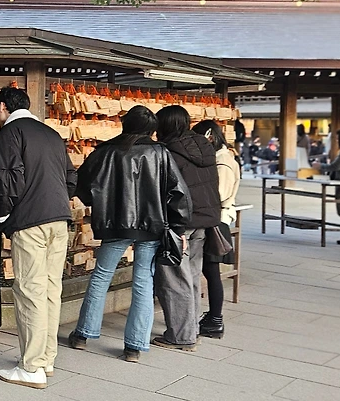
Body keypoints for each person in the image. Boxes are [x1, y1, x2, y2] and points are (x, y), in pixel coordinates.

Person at [68, 106, 191, 362]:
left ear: (126, 124)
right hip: (151, 225)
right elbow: (178, 193)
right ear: (151, 129)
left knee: (101, 276)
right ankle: (134, 346)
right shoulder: (160, 153)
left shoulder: (105, 151)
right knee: (144, 281)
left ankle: (82, 334)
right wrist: (178, 228)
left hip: (114, 223)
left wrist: (101, 203)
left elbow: (83, 185)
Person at [0, 87, 76, 388]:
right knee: (51, 289)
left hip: (30, 220)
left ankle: (31, 367)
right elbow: (71, 177)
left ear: (2, 107)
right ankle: (46, 359)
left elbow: (8, 177)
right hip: (59, 219)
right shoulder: (51, 133)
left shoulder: (10, 132)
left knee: (29, 291)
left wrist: (1, 214)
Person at [154, 104, 219, 352]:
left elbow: (171, 192)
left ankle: (181, 336)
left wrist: (175, 227)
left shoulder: (169, 152)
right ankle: (192, 329)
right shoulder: (205, 146)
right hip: (204, 220)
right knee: (191, 275)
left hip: (180, 222)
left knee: (173, 278)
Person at [193, 120, 239, 339]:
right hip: (214, 219)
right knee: (210, 272)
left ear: (209, 137)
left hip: (215, 222)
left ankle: (216, 320)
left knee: (212, 273)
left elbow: (218, 195)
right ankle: (213, 318)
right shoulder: (221, 158)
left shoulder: (223, 162)